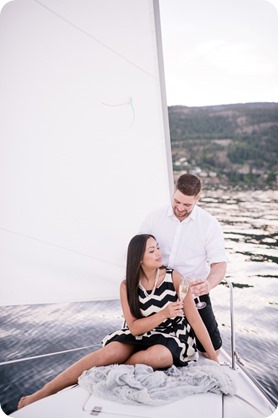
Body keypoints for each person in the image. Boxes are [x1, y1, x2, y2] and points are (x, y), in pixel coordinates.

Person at [18, 234, 218, 409]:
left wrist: (214, 359)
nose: (159, 252)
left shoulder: (174, 277)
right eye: (152, 250)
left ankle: (102, 374)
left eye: (157, 247)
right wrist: (163, 313)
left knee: (158, 357)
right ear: (139, 259)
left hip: (172, 333)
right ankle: (42, 393)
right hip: (141, 331)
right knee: (108, 353)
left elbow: (194, 318)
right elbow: (133, 327)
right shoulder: (127, 286)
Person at [140, 173, 228, 354]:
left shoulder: (209, 224)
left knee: (212, 349)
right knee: (142, 341)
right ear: (174, 192)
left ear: (198, 198)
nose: (180, 208)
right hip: (156, 289)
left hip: (193, 293)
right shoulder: (154, 218)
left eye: (187, 204)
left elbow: (219, 264)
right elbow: (138, 253)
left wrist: (208, 284)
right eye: (176, 201)